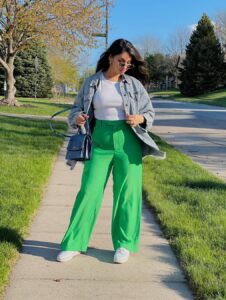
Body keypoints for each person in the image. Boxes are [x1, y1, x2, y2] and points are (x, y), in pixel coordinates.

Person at [56, 38, 166, 264]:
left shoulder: (133, 85)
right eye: (121, 62)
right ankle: (74, 243)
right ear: (110, 57)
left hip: (129, 141)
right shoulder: (92, 83)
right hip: (100, 141)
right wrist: (76, 117)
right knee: (89, 191)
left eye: (129, 64)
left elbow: (149, 113)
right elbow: (76, 108)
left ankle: (124, 245)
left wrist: (141, 118)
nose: (125, 67)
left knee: (127, 194)